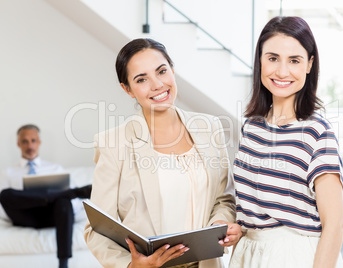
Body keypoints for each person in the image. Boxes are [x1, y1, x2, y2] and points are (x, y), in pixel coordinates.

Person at [83, 38, 242, 268]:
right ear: (127, 89)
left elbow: (223, 199)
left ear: (173, 71)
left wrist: (221, 224)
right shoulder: (113, 143)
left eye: (161, 71)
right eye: (141, 79)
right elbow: (97, 229)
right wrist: (129, 265)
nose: (157, 85)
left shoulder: (210, 128)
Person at [229, 16, 343, 268]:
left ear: (309, 64)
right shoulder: (252, 126)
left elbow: (334, 225)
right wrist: (240, 228)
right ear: (260, 60)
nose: (282, 71)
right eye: (272, 58)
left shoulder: (317, 131)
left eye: (294, 60)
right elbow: (253, 207)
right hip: (249, 254)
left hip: (295, 256)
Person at [0, 124, 92, 268]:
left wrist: (56, 200)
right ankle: (71, 192)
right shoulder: (8, 173)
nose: (29, 145)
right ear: (18, 144)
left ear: (39, 142)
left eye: (33, 140)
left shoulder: (56, 169)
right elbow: (4, 205)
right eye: (25, 141)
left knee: (64, 202)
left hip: (53, 216)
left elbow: (73, 206)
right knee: (5, 194)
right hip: (25, 216)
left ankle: (63, 264)